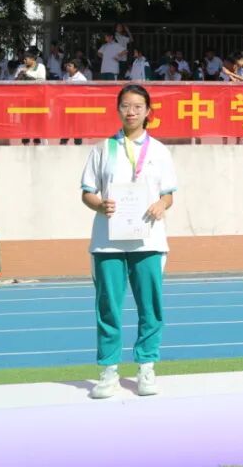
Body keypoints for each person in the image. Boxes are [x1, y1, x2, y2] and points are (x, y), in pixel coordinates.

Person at [81, 84, 178, 400]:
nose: (131, 111)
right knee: (108, 306)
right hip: (108, 241)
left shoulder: (159, 151)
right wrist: (99, 205)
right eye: (125, 105)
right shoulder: (102, 149)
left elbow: (168, 194)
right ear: (118, 109)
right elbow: (87, 192)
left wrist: (161, 204)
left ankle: (146, 366)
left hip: (148, 240)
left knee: (150, 306)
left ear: (148, 111)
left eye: (137, 106)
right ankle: (108, 370)